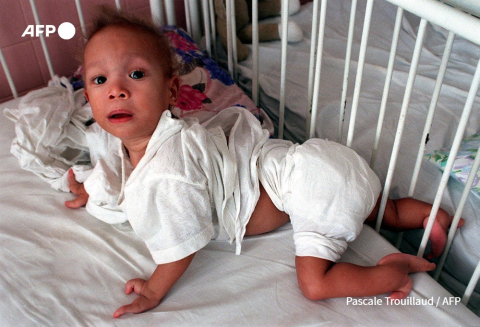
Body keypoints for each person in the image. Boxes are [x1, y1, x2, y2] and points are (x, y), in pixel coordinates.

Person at [66, 7, 463, 319]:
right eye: (100, 80)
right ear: (88, 95)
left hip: (313, 187)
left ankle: (395, 272)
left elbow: (180, 244)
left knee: (314, 285)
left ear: (172, 91)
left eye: (135, 74)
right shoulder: (124, 141)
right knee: (380, 206)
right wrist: (87, 189)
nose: (116, 91)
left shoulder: (170, 167)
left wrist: (154, 290)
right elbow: (113, 175)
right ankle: (429, 215)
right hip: (322, 161)